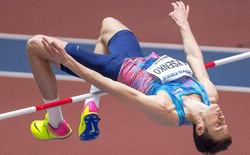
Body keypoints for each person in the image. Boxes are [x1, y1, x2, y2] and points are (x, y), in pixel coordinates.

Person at [26, 1, 232, 154]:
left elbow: (109, 85)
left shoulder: (167, 109)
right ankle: (91, 104)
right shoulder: (209, 95)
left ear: (200, 128)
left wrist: (67, 61)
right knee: (108, 24)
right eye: (225, 124)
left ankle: (55, 125)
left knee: (35, 44)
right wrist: (183, 23)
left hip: (115, 68)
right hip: (135, 57)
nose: (223, 119)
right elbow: (194, 57)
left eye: (218, 125)